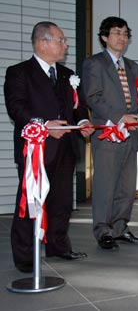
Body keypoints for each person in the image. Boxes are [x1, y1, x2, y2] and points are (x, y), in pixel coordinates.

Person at [4, 21, 94, 273]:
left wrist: (84, 121)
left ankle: (59, 246)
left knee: (62, 201)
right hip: (35, 149)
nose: (65, 45)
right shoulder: (18, 72)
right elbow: (16, 108)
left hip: (65, 148)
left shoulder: (67, 75)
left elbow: (79, 106)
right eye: (61, 40)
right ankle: (24, 256)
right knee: (30, 201)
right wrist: (44, 126)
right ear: (42, 42)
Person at [82, 16, 138, 250]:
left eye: (125, 33)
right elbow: (92, 97)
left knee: (127, 186)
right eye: (117, 33)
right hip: (107, 133)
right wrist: (118, 117)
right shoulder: (94, 63)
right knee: (106, 185)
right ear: (104, 37)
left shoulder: (134, 67)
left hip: (131, 135)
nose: (122, 37)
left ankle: (120, 228)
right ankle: (103, 230)